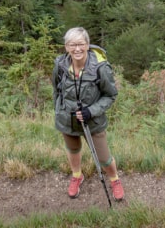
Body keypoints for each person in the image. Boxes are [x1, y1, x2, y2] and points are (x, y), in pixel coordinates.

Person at [52, 27, 124, 201]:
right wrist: (59, 111)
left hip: (93, 121)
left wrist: (91, 111)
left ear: (88, 44)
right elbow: (56, 90)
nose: (77, 49)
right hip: (67, 120)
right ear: (66, 46)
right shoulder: (60, 65)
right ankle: (77, 175)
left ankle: (114, 179)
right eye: (72, 44)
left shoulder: (100, 67)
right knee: (73, 149)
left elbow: (111, 95)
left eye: (81, 44)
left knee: (104, 158)